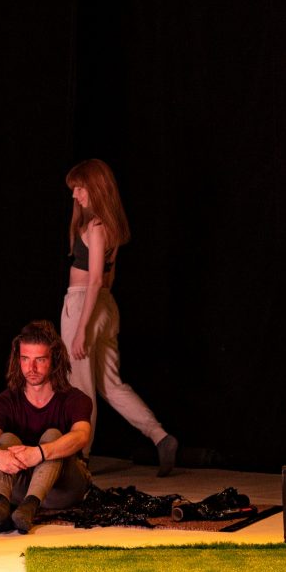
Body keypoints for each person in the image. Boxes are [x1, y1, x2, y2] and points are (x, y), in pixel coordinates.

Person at [60, 158, 177, 476]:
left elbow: (96, 278)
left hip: (85, 305)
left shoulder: (96, 227)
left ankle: (80, 458)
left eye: (79, 188)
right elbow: (109, 277)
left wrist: (82, 328)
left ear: (95, 187)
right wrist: (101, 312)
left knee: (80, 386)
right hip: (104, 306)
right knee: (110, 385)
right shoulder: (111, 226)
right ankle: (161, 437)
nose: (75, 195)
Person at [0, 320, 93, 533]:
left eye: (40, 360)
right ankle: (1, 504)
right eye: (25, 359)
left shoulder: (76, 399)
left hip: (63, 489)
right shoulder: (3, 401)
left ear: (54, 360)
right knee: (4, 440)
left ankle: (31, 506)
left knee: (53, 435)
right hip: (20, 490)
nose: (31, 368)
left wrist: (39, 453)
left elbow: (82, 435)